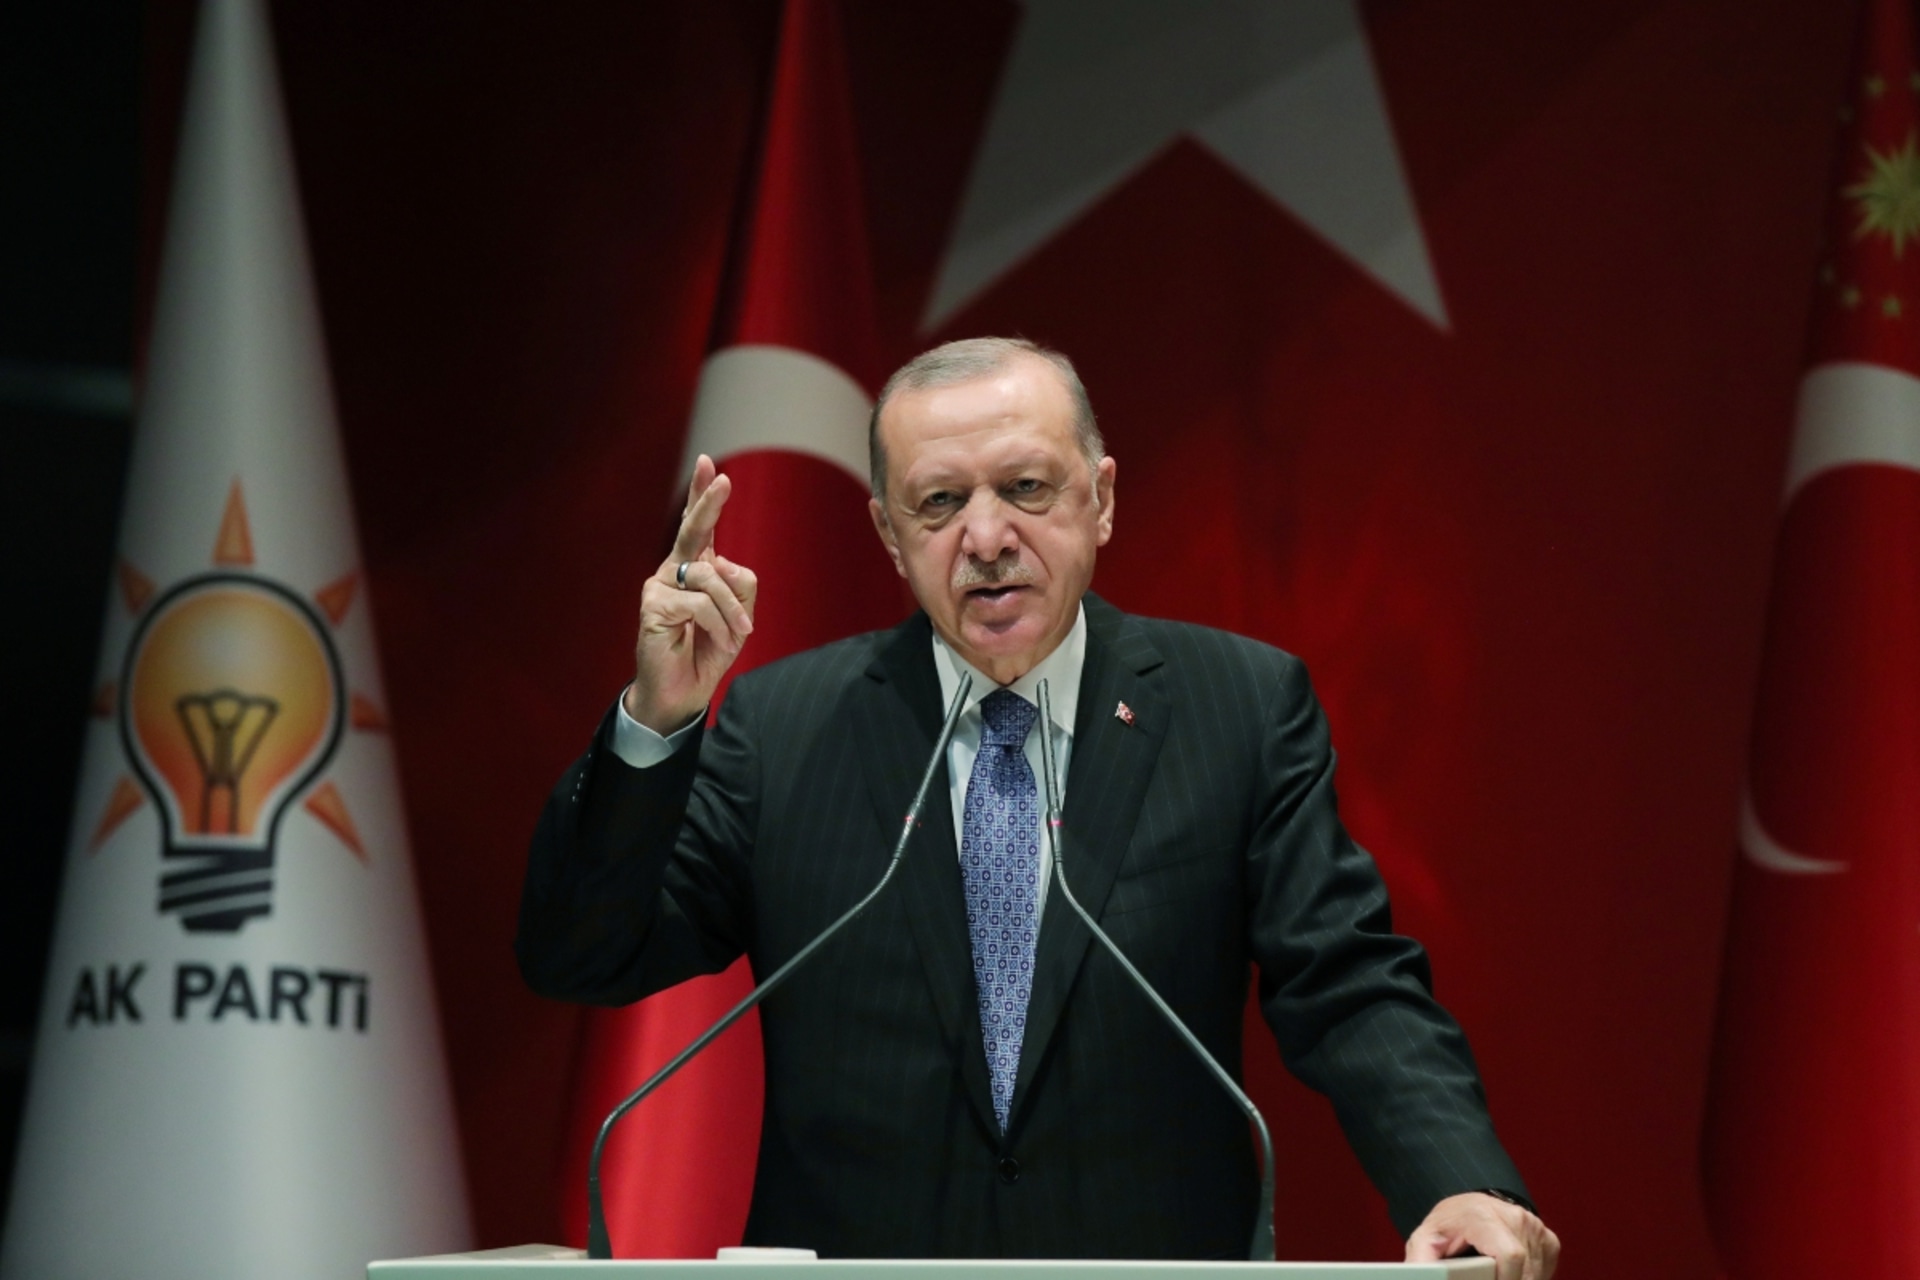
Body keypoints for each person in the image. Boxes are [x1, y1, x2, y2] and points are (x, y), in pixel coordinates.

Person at [518, 337, 1559, 1276]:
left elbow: (1348, 983)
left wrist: (1456, 1177)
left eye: (1025, 486)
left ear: (1100, 497)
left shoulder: (1237, 708)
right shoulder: (784, 727)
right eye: (938, 503)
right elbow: (583, 953)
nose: (985, 535)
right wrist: (656, 723)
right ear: (887, 531)